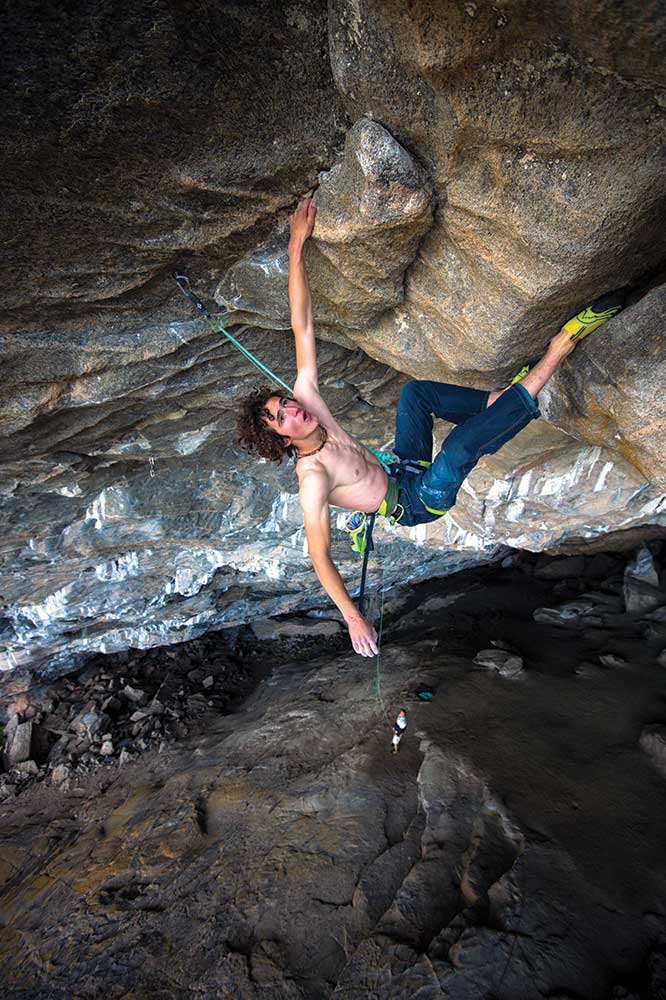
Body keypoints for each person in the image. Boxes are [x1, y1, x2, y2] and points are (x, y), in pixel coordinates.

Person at [237, 197, 625, 658]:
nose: (292, 410)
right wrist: (353, 617)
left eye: (284, 403)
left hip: (403, 466)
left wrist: (297, 245)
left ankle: (501, 401)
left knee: (414, 395)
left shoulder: (310, 401)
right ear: (282, 438)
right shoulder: (313, 479)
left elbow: (301, 325)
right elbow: (319, 556)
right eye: (283, 418)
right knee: (461, 443)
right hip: (418, 502)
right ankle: (559, 349)